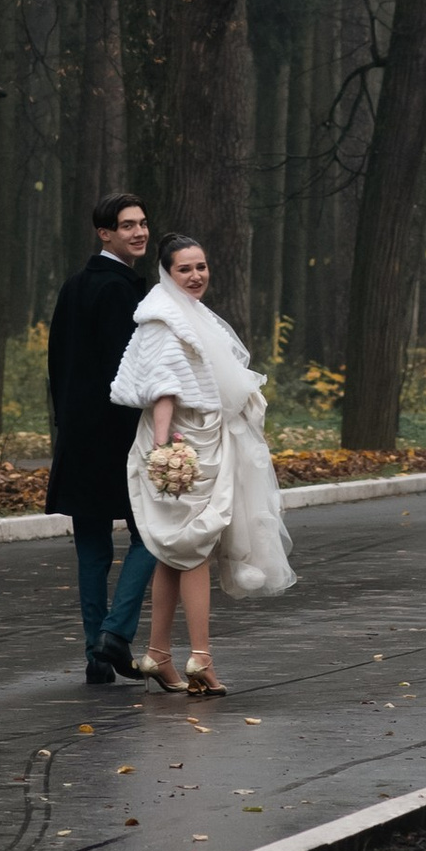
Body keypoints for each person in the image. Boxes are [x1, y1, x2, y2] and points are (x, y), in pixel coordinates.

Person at [108, 233, 295, 695]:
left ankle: (157, 653)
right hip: (183, 447)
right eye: (185, 269)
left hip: (203, 438)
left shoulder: (188, 314)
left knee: (173, 551)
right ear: (167, 274)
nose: (196, 276)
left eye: (201, 267)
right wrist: (165, 447)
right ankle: (202, 658)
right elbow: (164, 388)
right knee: (192, 548)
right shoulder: (163, 319)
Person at [44, 195, 156, 684]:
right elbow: (128, 372)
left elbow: (58, 367)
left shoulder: (74, 287)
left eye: (142, 223)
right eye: (126, 225)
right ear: (103, 233)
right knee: (151, 534)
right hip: (117, 440)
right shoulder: (118, 292)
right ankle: (115, 633)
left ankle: (96, 657)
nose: (139, 232)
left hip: (78, 438)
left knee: (91, 549)